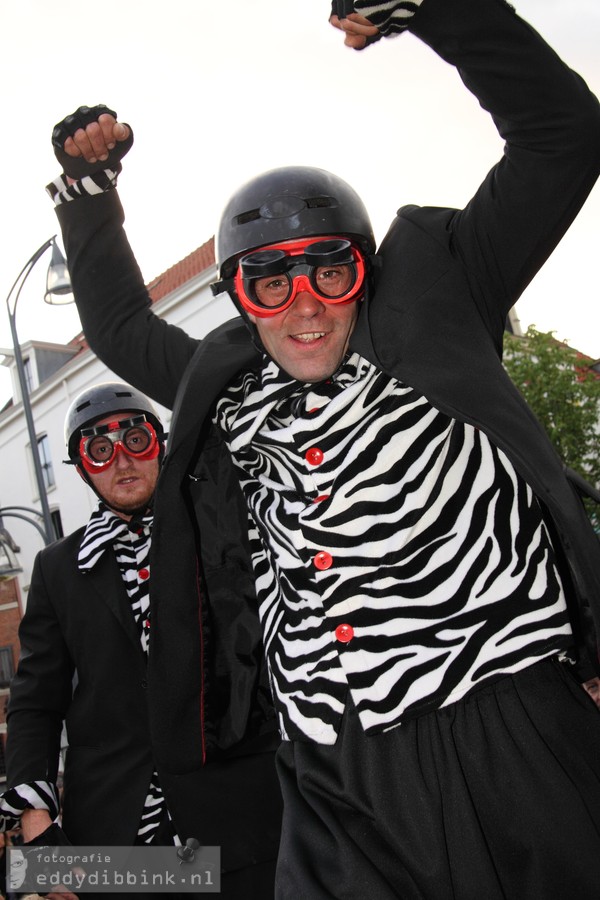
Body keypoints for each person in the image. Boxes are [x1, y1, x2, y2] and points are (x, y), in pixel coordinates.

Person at [46, 0, 600, 896]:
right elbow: (115, 323)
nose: (304, 304)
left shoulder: (442, 297)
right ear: (239, 297)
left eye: (328, 270)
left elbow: (562, 135)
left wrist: (435, 10)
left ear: (363, 272)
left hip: (504, 727)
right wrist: (89, 193)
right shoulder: (228, 397)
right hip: (337, 776)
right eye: (271, 281)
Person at [0, 383, 282, 899]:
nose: (122, 461)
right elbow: (34, 702)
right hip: (114, 834)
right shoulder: (57, 568)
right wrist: (38, 833)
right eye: (100, 450)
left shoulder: (215, 533)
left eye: (137, 440)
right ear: (83, 466)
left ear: (161, 443)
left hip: (236, 812)